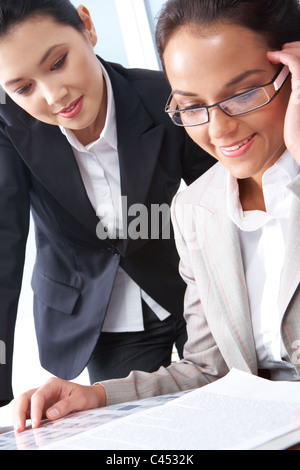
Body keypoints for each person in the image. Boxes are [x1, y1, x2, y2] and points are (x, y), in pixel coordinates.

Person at [13, 0, 300, 434]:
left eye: (241, 94)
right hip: (102, 313)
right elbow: (209, 368)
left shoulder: (145, 99)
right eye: (191, 105)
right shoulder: (197, 211)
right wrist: (97, 396)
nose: (219, 130)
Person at [0, 0, 214, 408]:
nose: (54, 95)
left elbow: (223, 197)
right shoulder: (8, 129)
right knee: (131, 431)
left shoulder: (162, 96)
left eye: (58, 62)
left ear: (87, 25)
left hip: (188, 290)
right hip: (100, 314)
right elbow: (3, 246)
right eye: (23, 88)